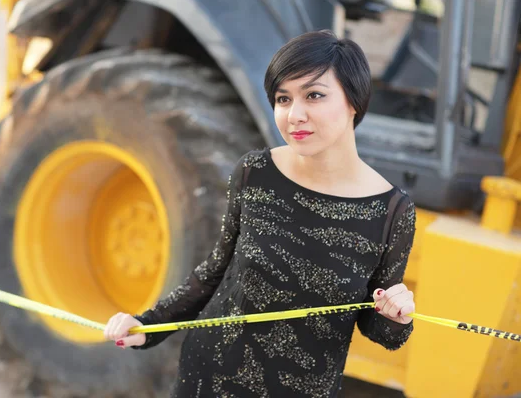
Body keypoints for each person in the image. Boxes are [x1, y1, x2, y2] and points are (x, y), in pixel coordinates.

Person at [104, 29, 417, 397]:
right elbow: (217, 270)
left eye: (314, 95)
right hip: (209, 378)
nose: (294, 115)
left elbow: (379, 331)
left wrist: (398, 316)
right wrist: (147, 325)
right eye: (283, 99)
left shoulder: (393, 211)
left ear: (354, 102)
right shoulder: (256, 171)